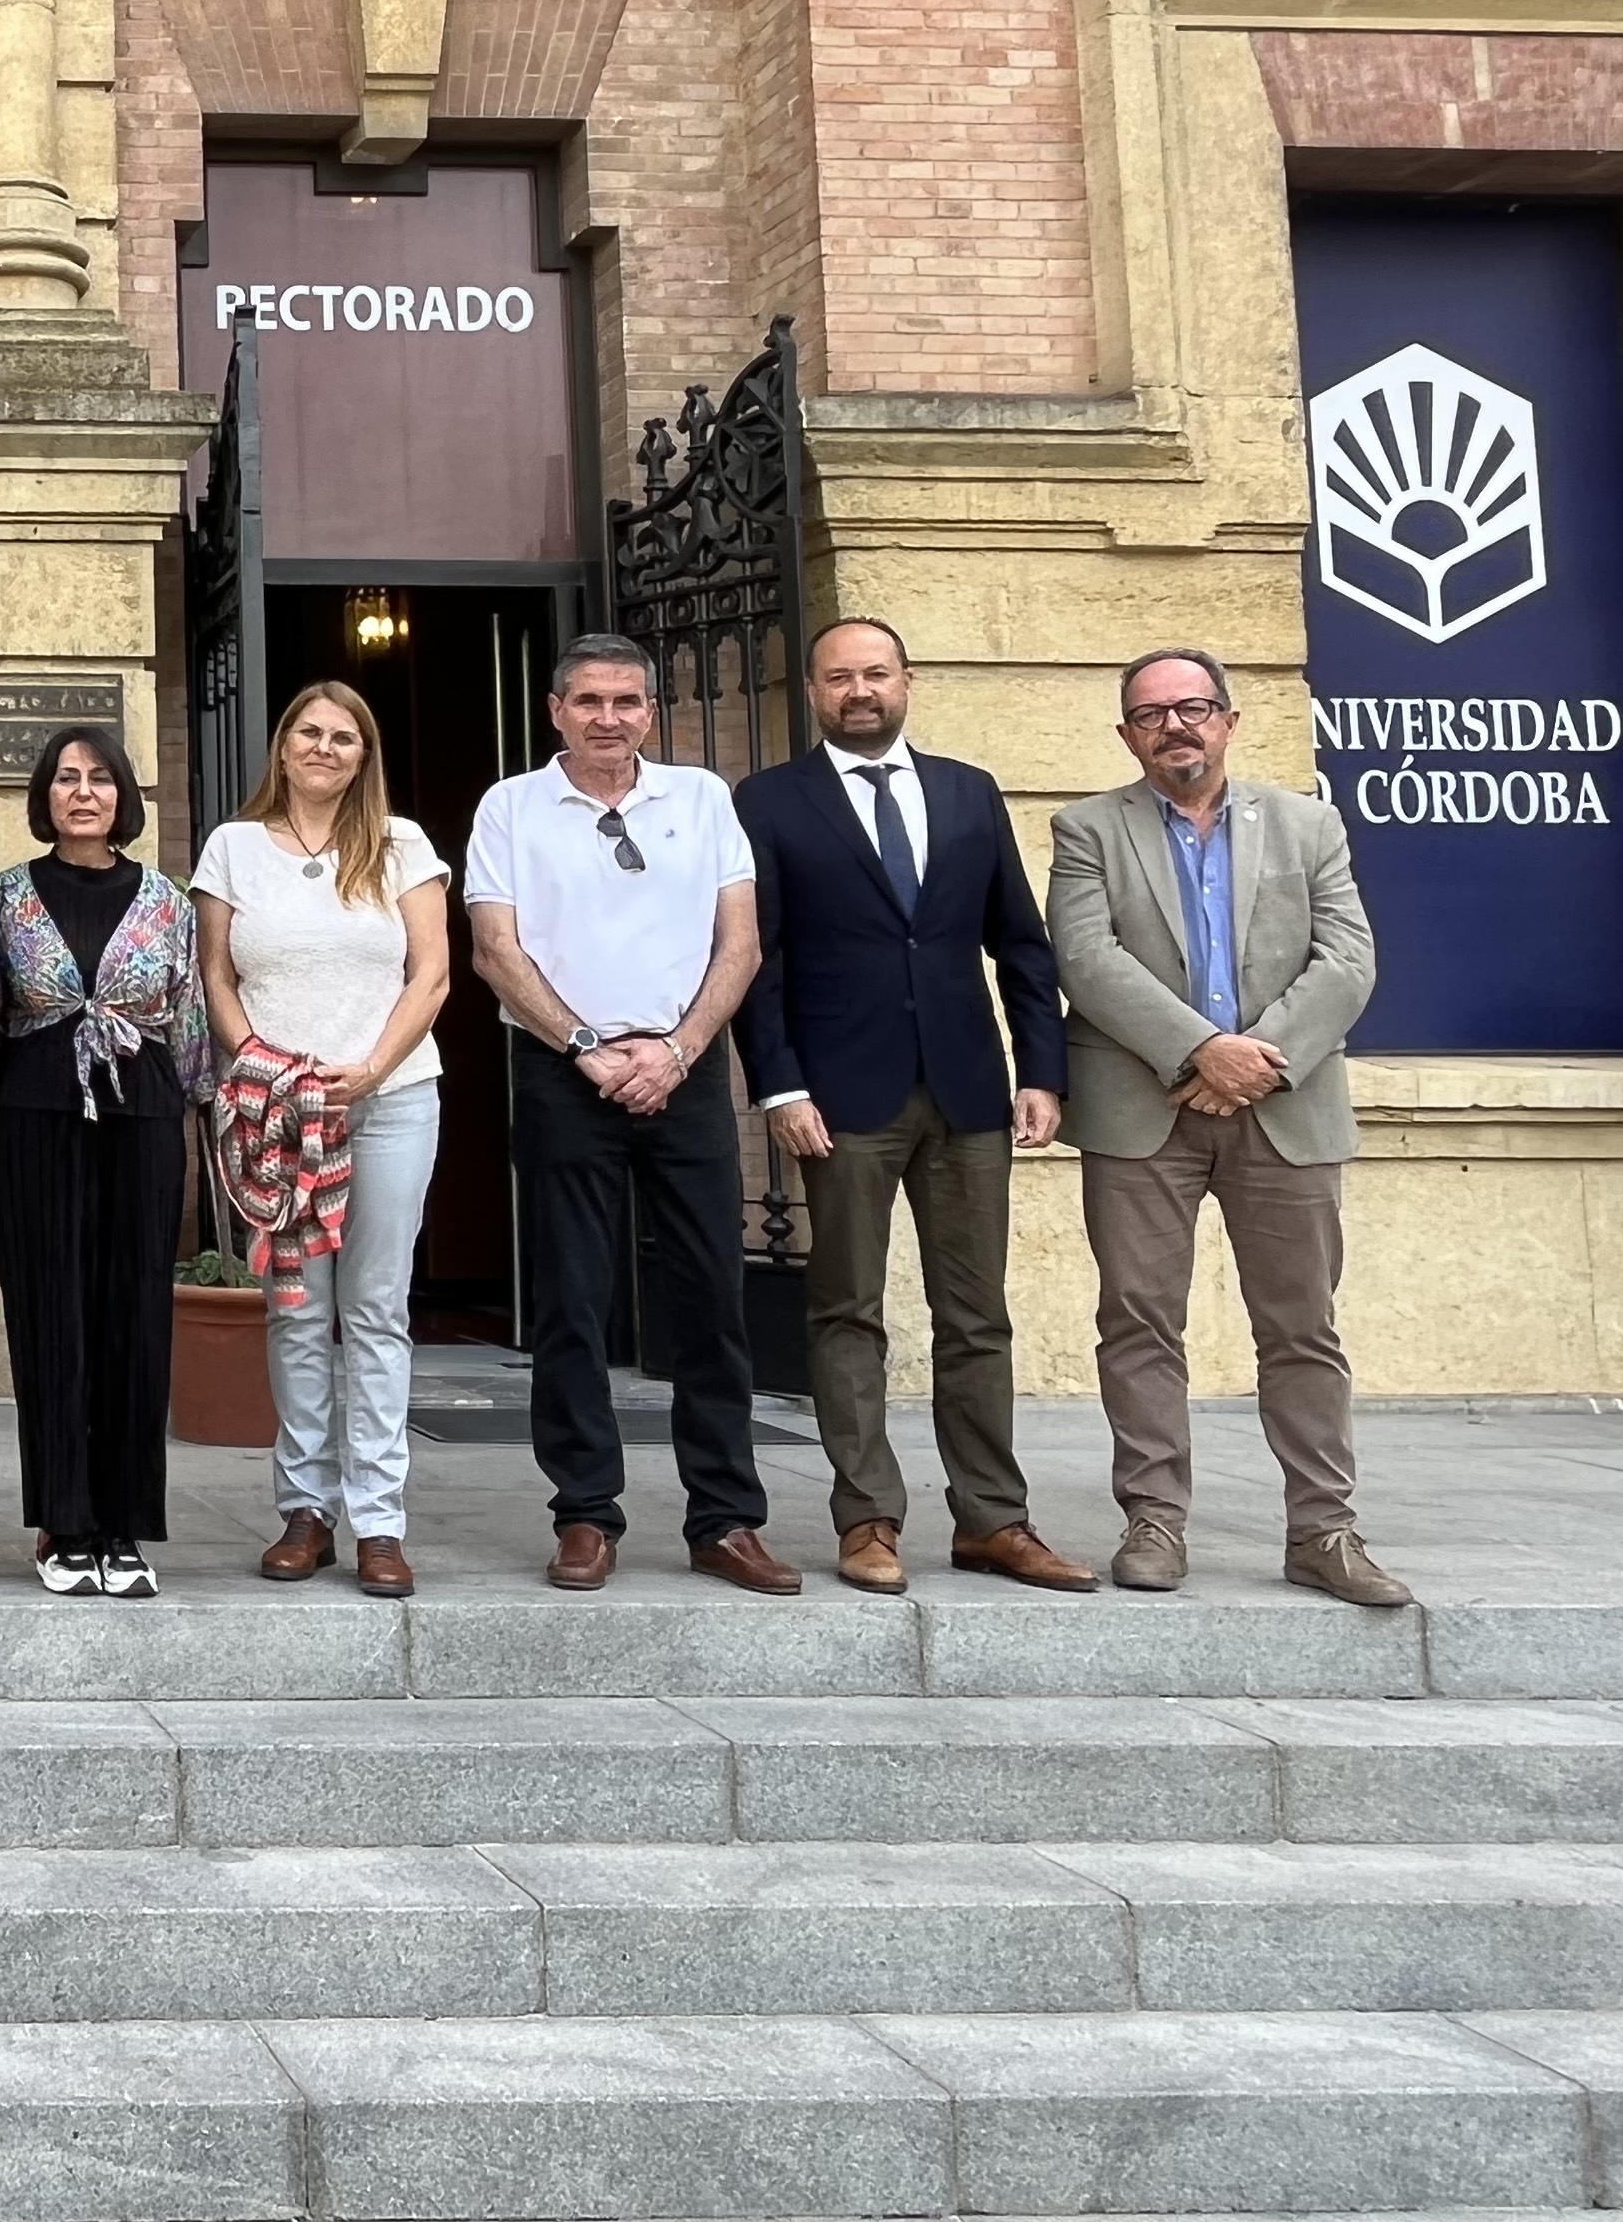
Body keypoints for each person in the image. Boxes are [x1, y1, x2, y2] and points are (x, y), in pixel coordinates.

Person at [732, 618, 1091, 1597]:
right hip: (841, 1101)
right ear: (811, 690)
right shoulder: (768, 801)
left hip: (970, 1091)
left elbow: (1021, 944)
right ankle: (868, 1522)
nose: (860, 690)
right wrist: (781, 1085)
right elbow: (753, 962)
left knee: (977, 1316)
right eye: (840, 675)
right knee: (846, 1311)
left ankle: (994, 1521)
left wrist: (1042, 1073)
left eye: (876, 674)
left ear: (908, 681)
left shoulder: (969, 792)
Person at [1049, 649, 1403, 1608]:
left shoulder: (1308, 823)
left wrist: (1256, 1059)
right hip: (1142, 1112)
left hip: (1284, 1109)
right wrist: (1202, 1050)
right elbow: (1087, 959)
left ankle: (1324, 1532)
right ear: (1128, 734)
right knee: (1137, 1325)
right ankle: (1154, 1520)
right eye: (1153, 714)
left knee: (1302, 1330)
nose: (1177, 726)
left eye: (1194, 707)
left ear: (1230, 720)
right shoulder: (1087, 829)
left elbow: (1348, 961)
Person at [462, 633, 790, 1596]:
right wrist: (586, 1049)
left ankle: (724, 1518)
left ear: (652, 711)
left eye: (629, 701)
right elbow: (495, 949)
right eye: (591, 700)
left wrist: (681, 1050)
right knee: (571, 1302)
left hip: (684, 1071)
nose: (611, 716)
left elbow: (741, 943)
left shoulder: (703, 799)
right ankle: (584, 1514)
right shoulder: (510, 807)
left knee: (712, 1299)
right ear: (556, 709)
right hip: (565, 1074)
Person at [193, 680, 451, 1600]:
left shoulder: (401, 844)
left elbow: (432, 976)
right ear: (283, 744)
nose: (326, 747)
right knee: (298, 1313)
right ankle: (305, 1510)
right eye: (310, 731)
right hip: (279, 1111)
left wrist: (372, 1068)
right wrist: (259, 1062)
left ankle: (379, 1520)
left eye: (345, 736)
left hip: (389, 1105)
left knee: (376, 1311)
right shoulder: (232, 848)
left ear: (364, 754)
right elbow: (214, 975)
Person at [0, 725, 209, 1599]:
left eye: (100, 779)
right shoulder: (4, 895)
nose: (83, 792)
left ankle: (123, 1524)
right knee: (51, 1315)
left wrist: (198, 1107)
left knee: (132, 1317)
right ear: (45, 795)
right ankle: (63, 1521)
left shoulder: (166, 899)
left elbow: (186, 1019)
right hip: (34, 1118)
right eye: (66, 778)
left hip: (141, 1118)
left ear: (123, 797)